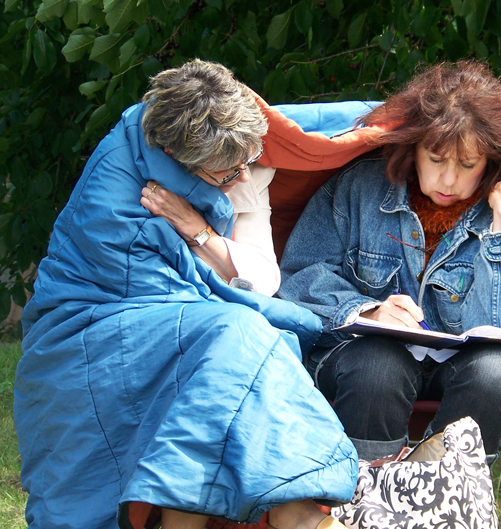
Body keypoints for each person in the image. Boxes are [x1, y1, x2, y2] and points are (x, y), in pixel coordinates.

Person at [14, 60, 357, 529]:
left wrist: (198, 231)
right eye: (227, 174)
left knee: (235, 344)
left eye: (247, 163)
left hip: (179, 317)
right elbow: (145, 281)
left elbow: (328, 127)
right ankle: (296, 514)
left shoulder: (226, 146)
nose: (242, 179)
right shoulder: (120, 182)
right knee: (236, 335)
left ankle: (280, 512)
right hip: (87, 326)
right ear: (175, 156)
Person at [278, 60, 501, 462]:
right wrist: (367, 311)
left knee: (496, 373)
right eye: (436, 159)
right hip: (367, 361)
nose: (449, 180)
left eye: (468, 165)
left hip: (468, 371)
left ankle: (441, 492)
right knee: (378, 365)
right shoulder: (360, 187)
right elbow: (300, 274)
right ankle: (371, 492)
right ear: (412, 149)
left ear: (492, 160)